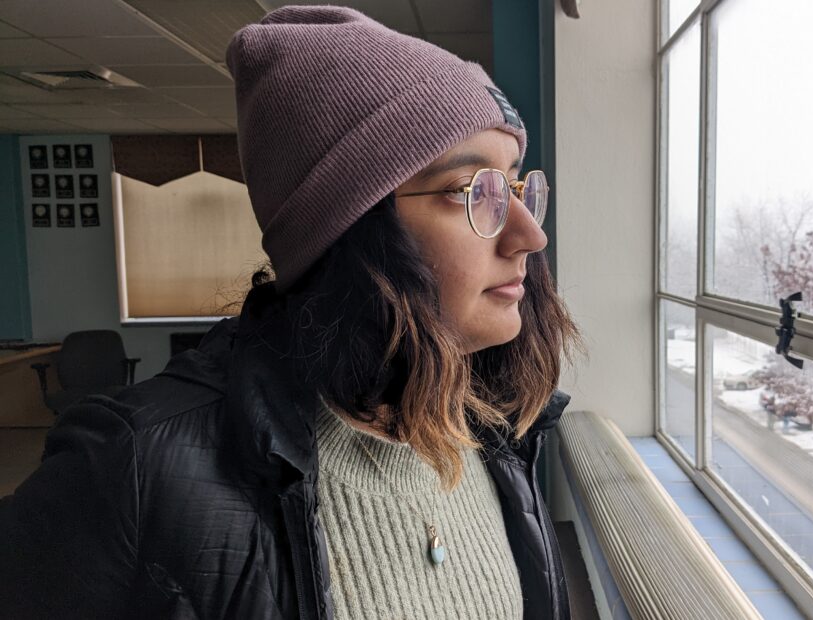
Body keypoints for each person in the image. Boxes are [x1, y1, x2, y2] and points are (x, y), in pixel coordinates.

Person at [0, 6, 582, 619]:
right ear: (348, 230)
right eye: (473, 190)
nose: (529, 235)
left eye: (515, 187)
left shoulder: (498, 427)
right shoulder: (132, 469)